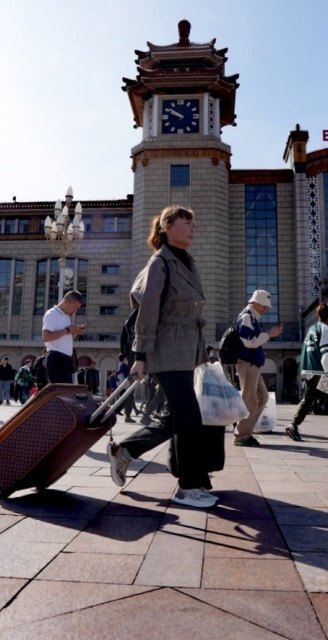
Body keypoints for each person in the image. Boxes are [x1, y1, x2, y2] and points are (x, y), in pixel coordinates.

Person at [107, 206, 222, 508]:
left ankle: (126, 451)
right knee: (189, 418)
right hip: (165, 348)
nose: (192, 228)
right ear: (167, 226)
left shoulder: (188, 261)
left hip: (188, 348)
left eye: (193, 224)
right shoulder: (160, 262)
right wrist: (140, 355)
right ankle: (188, 487)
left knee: (175, 418)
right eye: (186, 222)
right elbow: (147, 310)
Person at [285, 304, 328, 443]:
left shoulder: (311, 330)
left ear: (318, 315)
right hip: (322, 372)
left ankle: (293, 425)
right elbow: (327, 356)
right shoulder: (327, 330)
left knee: (308, 399)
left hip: (310, 371)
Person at [233, 290, 282, 447]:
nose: (265, 309)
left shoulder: (251, 317)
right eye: (264, 306)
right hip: (247, 364)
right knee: (250, 400)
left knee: (262, 397)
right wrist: (269, 334)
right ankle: (241, 435)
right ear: (256, 303)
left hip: (252, 364)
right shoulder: (247, 317)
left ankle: (245, 429)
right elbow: (248, 342)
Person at [42, 290, 85, 384]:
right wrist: (68, 330)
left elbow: (64, 339)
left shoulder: (65, 317)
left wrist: (74, 332)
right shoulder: (52, 314)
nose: (75, 311)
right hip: (56, 359)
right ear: (66, 302)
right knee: (61, 392)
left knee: (67, 392)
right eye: (74, 307)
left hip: (65, 359)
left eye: (77, 309)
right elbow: (46, 337)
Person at [116, 355, 137, 423]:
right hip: (126, 388)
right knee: (127, 402)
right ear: (124, 358)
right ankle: (126, 416)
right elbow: (121, 377)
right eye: (126, 358)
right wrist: (126, 386)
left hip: (127, 387)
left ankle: (127, 416)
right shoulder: (122, 366)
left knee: (127, 401)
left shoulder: (124, 366)